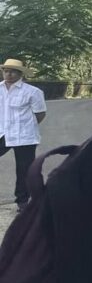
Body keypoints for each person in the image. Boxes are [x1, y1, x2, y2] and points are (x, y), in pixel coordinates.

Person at [0, 58, 46, 208]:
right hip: (2, 133)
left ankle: (23, 201)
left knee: (24, 170)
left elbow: (40, 114)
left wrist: (26, 126)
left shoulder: (33, 92)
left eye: (13, 72)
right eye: (6, 71)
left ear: (21, 74)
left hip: (24, 136)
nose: (9, 74)